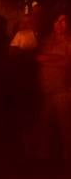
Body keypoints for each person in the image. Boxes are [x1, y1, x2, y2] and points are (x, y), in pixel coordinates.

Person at [35, 11, 71, 165]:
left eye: (63, 21)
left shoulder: (69, 41)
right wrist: (56, 58)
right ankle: (45, 160)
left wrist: (48, 59)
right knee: (45, 125)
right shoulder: (47, 40)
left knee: (66, 126)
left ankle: (68, 157)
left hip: (63, 89)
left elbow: (66, 63)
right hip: (46, 89)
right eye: (57, 21)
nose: (60, 25)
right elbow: (38, 57)